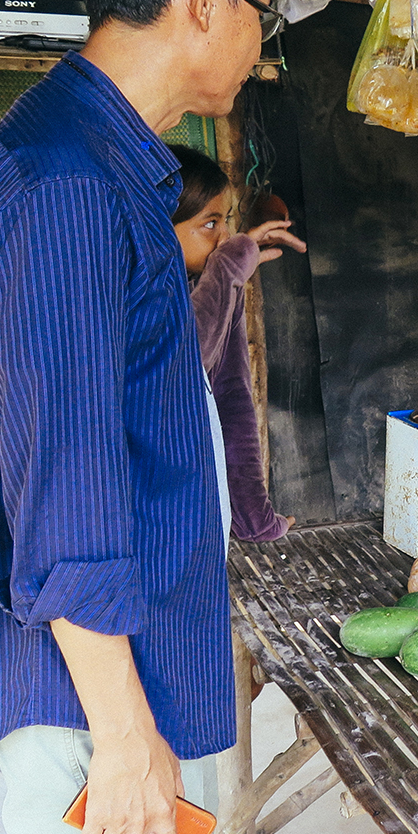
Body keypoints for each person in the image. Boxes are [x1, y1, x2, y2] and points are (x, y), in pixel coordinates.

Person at [0, 0, 281, 834]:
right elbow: (63, 479)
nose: (262, 44)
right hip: (87, 688)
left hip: (114, 656)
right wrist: (124, 737)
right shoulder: (68, 188)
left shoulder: (97, 161)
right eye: (262, 12)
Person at [169, 144, 306, 543]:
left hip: (203, 524)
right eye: (210, 223)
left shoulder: (208, 280)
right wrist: (230, 267)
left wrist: (252, 515)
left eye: (227, 220)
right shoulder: (130, 295)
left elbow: (231, 396)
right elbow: (181, 364)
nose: (226, 236)